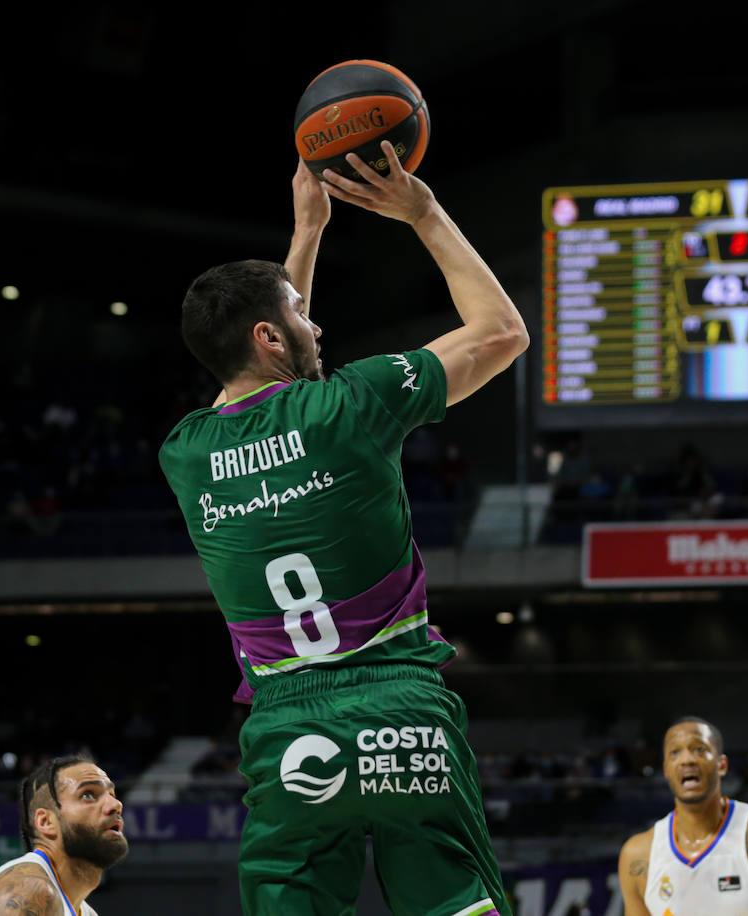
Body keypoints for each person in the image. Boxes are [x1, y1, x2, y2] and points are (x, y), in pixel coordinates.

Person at [159, 143, 527, 915]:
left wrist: (305, 233)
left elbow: (274, 377)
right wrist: (422, 211)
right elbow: (500, 333)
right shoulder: (352, 406)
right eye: (300, 315)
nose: (314, 325)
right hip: (399, 707)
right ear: (268, 335)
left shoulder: (185, 454)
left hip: (286, 725)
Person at [618, 718, 748, 916]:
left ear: (722, 765)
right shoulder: (638, 856)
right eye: (675, 753)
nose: (687, 760)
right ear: (666, 770)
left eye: (699, 749)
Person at [0, 755, 127, 916]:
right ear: (46, 822)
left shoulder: (84, 911)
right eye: (88, 795)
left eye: (112, 794)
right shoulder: (26, 892)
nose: (116, 804)